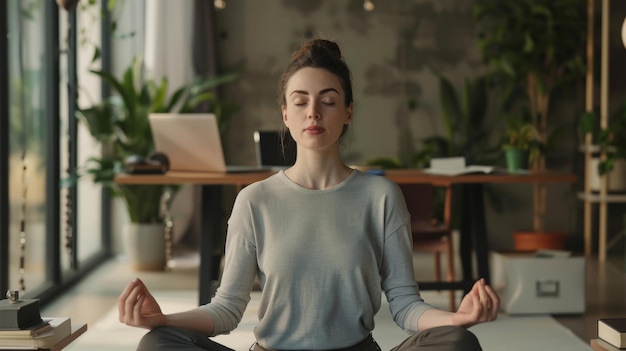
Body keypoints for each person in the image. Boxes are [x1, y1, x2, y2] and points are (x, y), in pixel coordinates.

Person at [118, 38, 500, 351]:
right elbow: (227, 308)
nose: (313, 112)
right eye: (300, 101)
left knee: (459, 342)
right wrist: (162, 320)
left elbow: (404, 304)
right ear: (285, 114)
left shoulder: (381, 196)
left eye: (328, 101)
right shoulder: (254, 200)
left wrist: (456, 318)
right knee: (158, 343)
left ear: (348, 112)